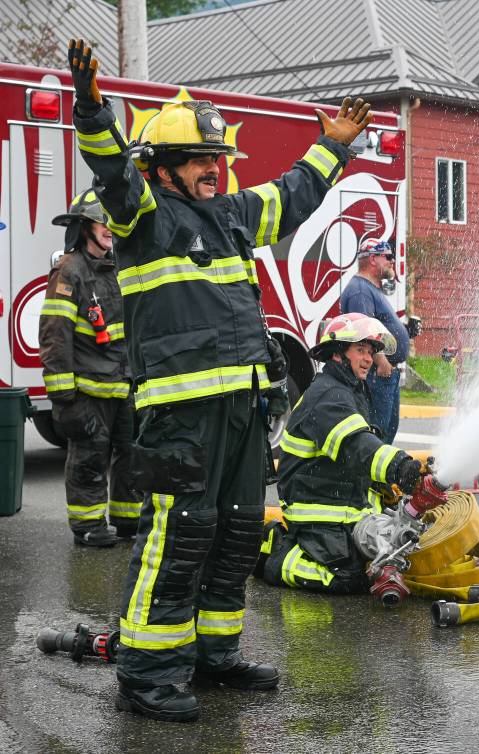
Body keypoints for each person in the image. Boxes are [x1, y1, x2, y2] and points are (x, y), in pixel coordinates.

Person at [69, 38, 371, 722]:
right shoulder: (142, 217)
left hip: (240, 407)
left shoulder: (233, 216)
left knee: (236, 533)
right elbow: (113, 168)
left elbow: (293, 195)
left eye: (219, 158)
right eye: (203, 159)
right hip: (180, 416)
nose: (217, 167)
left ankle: (214, 655)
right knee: (179, 537)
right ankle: (147, 675)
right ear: (166, 169)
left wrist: (334, 149)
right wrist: (91, 107)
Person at [257, 313, 425, 593]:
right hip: (318, 511)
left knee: (403, 545)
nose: (369, 359)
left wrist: (387, 490)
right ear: (337, 355)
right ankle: (275, 553)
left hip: (345, 505)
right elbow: (357, 448)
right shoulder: (328, 395)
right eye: (360, 350)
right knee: (350, 578)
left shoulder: (350, 390)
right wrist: (399, 466)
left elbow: (362, 452)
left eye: (371, 351)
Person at [38, 191, 142, 547]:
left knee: (132, 458)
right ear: (85, 227)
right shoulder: (70, 271)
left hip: (124, 387)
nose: (110, 229)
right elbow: (55, 334)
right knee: (89, 459)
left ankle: (129, 521)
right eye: (103, 222)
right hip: (87, 391)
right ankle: (88, 525)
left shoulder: (121, 267)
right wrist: (64, 397)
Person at [340, 238, 411, 444]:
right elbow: (364, 333)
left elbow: (378, 328)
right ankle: (373, 477)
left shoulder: (370, 289)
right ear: (372, 259)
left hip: (384, 374)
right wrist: (382, 362)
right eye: (388, 257)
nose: (392, 261)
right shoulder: (360, 291)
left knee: (386, 433)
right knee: (378, 436)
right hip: (377, 375)